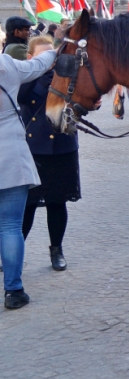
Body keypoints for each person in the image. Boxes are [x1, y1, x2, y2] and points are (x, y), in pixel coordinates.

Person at [0, 35, 57, 309]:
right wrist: (62, 46)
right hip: (10, 153)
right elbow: (42, 63)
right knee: (10, 226)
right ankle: (13, 291)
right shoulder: (7, 65)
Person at [18, 36, 80, 272]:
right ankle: (15, 251)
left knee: (57, 202)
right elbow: (21, 96)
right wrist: (35, 72)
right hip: (33, 149)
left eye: (51, 59)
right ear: (31, 58)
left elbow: (82, 100)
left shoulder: (66, 78)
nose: (48, 64)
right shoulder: (24, 77)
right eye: (42, 59)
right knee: (28, 205)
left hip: (61, 146)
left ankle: (56, 249)